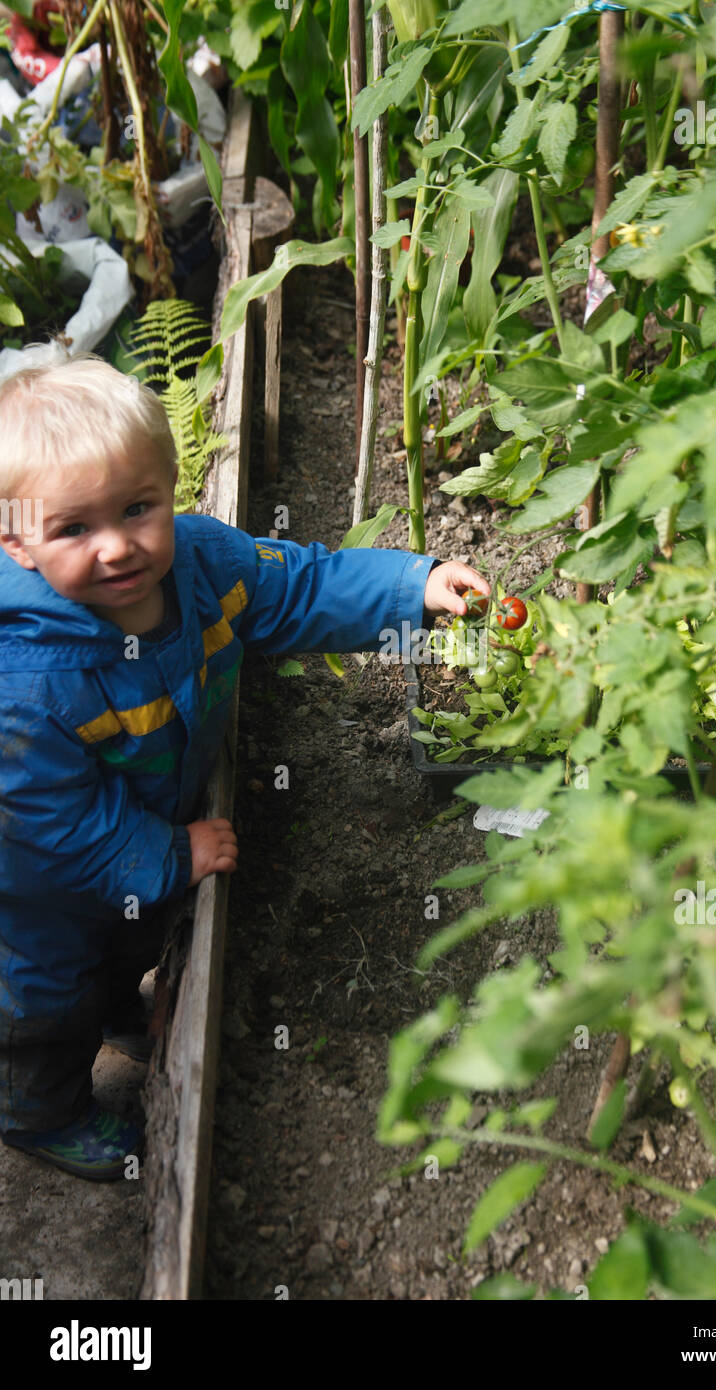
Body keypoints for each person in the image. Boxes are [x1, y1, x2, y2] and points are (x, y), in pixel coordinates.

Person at [0, 354, 489, 1180]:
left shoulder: (199, 563)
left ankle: (122, 1009)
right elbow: (50, 820)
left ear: (172, 490)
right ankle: (37, 1112)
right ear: (15, 541)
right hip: (39, 892)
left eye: (138, 509)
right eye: (74, 529)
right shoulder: (28, 678)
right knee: (43, 1001)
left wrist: (415, 585)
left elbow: (298, 589)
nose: (118, 547)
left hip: (138, 835)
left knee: (131, 944)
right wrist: (164, 855)